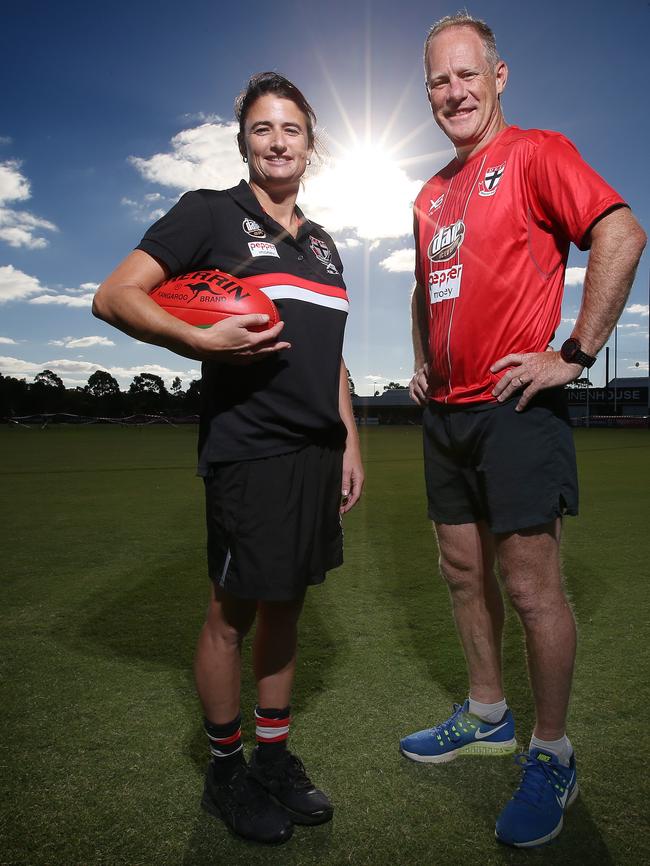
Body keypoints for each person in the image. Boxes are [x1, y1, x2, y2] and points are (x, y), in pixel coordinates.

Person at [93, 72, 364, 845]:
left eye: (291, 129)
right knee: (233, 610)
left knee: (288, 604)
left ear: (312, 143)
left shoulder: (322, 241)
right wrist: (198, 339)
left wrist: (347, 438)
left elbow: (333, 357)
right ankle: (225, 770)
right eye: (261, 130)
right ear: (243, 141)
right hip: (250, 447)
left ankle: (273, 758)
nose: (277, 142)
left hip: (316, 450)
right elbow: (115, 295)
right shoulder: (210, 213)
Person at [400, 12, 646, 849]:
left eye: (468, 74)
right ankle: (487, 713)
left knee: (532, 586)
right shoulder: (430, 194)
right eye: (439, 80)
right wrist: (426, 360)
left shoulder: (538, 153)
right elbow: (426, 290)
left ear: (499, 77)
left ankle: (552, 751)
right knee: (462, 571)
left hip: (516, 408)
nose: (454, 91)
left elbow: (621, 230)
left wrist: (575, 353)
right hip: (447, 414)